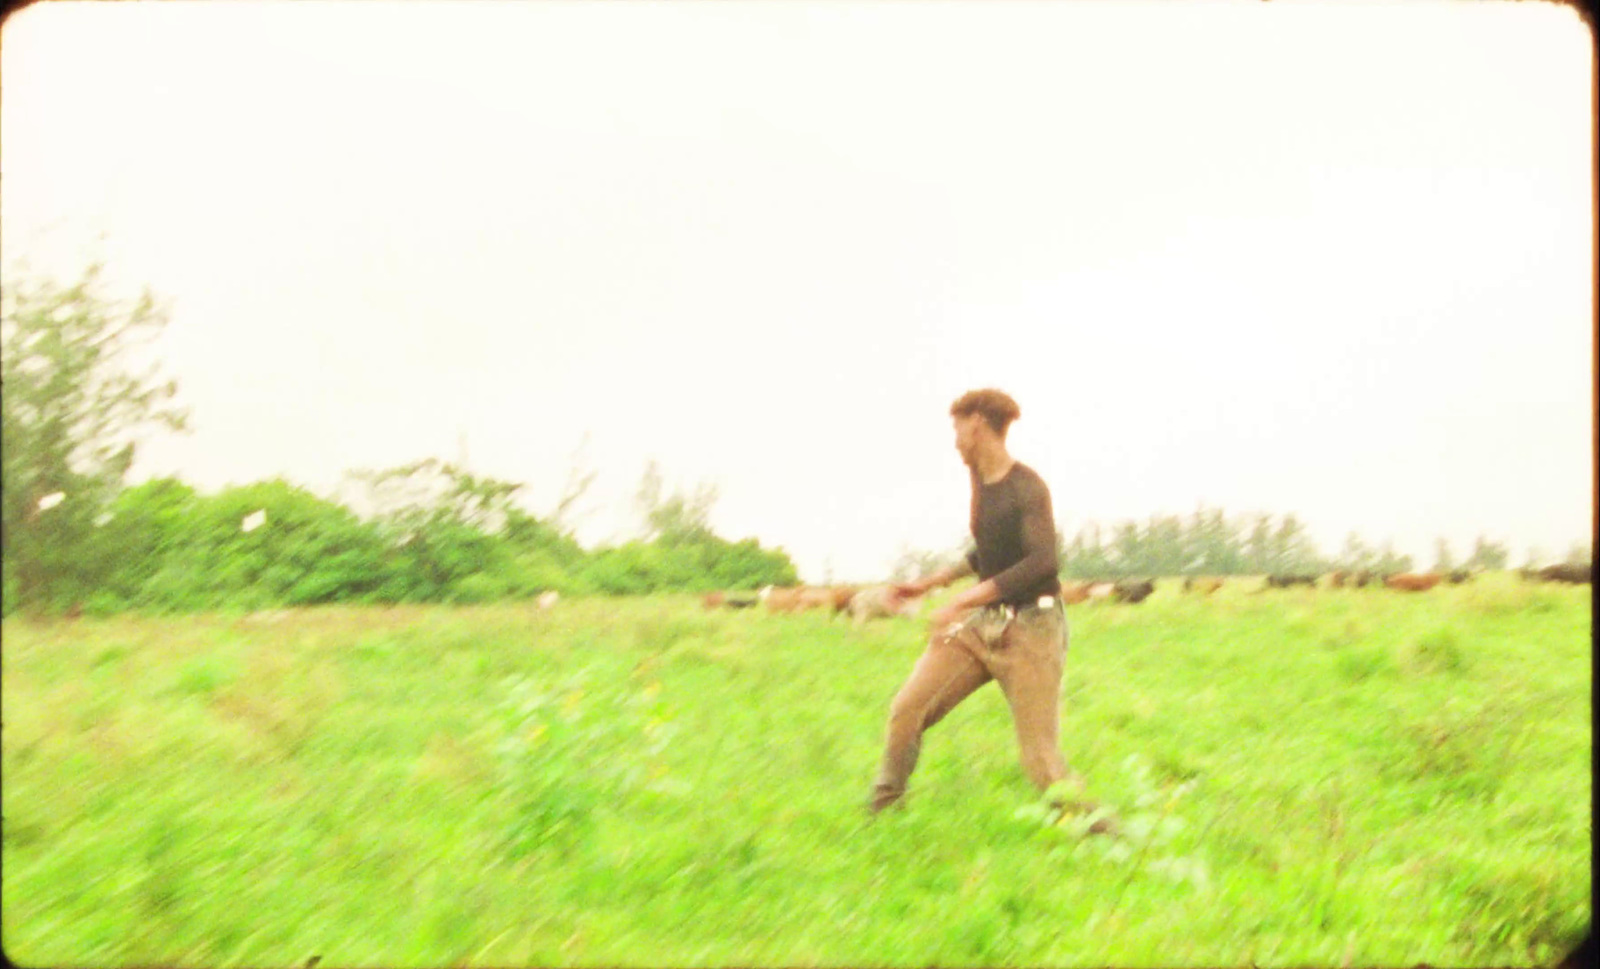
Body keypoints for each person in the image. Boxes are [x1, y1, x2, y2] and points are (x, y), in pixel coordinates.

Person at [868, 388, 1117, 834]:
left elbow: (1041, 562)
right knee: (908, 709)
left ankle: (1110, 839)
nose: (955, 440)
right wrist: (931, 582)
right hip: (983, 624)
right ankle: (882, 819)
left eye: (957, 428)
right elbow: (991, 551)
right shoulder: (979, 481)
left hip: (1034, 630)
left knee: (1041, 764)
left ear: (977, 424)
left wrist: (961, 599)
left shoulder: (1028, 487)